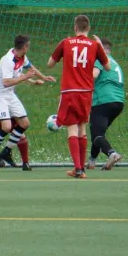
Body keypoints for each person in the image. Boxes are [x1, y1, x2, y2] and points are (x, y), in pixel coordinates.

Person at [47, 15, 110, 179]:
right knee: (82, 128)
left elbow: (50, 64)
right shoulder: (95, 45)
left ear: (75, 28)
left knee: (72, 128)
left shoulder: (66, 42)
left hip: (69, 91)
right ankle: (81, 168)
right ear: (88, 28)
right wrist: (101, 47)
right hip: (86, 92)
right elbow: (107, 67)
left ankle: (78, 168)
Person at [0, 35, 55, 168]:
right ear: (24, 47)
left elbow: (31, 67)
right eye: (28, 46)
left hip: (10, 95)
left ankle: (7, 151)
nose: (28, 48)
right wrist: (25, 77)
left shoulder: (21, 57)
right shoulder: (8, 60)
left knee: (25, 123)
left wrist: (43, 77)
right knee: (6, 127)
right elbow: (6, 82)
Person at [88, 37, 124, 171]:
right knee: (98, 133)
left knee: (96, 134)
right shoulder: (115, 63)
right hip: (118, 102)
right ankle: (92, 161)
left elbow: (93, 75)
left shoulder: (100, 60)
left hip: (103, 101)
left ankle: (112, 154)